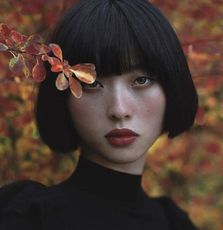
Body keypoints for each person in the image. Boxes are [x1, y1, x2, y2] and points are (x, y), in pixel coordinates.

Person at [0, 0, 198, 229]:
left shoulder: (174, 222)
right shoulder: (30, 217)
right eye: (91, 84)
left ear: (172, 87)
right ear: (62, 96)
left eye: (141, 80)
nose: (119, 110)